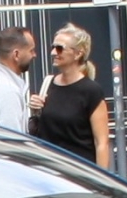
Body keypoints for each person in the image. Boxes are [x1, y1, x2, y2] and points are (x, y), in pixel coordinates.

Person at [29, 24, 111, 169]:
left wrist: (101, 184)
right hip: (49, 171)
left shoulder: (91, 91)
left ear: (78, 54)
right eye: (53, 47)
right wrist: (35, 108)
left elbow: (102, 143)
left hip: (80, 173)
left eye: (60, 48)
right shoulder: (48, 84)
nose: (53, 52)